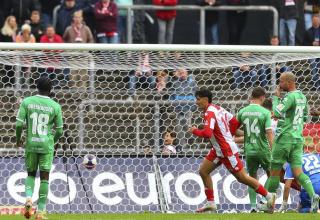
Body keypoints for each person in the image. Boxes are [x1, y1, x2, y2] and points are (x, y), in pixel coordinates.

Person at [190, 88, 275, 213]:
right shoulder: (218, 108)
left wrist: (194, 131)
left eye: (198, 99)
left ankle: (269, 196)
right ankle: (211, 202)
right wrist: (228, 133)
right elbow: (234, 121)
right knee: (203, 171)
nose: (196, 102)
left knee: (242, 178)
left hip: (226, 150)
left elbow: (207, 133)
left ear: (205, 99)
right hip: (218, 149)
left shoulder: (210, 112)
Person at [259, 72, 320, 213]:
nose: (279, 85)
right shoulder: (302, 97)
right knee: (298, 173)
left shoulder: (290, 96)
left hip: (285, 138)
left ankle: (267, 204)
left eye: (281, 82)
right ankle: (314, 196)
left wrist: (276, 97)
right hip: (298, 138)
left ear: (288, 82)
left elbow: (276, 112)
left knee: (274, 172)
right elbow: (305, 117)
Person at [16, 77, 63, 220]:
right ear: (50, 90)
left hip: (30, 144)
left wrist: (19, 139)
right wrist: (52, 143)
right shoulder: (55, 106)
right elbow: (60, 130)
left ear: (36, 87)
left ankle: (29, 199)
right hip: (46, 146)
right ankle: (40, 212)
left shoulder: (27, 102)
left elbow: (18, 124)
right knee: (44, 179)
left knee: (30, 174)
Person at [236, 87, 274, 212]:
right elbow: (269, 132)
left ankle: (253, 207)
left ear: (252, 96)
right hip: (263, 149)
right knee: (272, 174)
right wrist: (273, 149)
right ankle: (264, 200)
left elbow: (234, 130)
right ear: (262, 97)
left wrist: (247, 133)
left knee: (252, 179)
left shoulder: (242, 111)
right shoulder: (265, 112)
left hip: (249, 150)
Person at [303, 14, 320, 90]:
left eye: (317, 20)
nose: (315, 21)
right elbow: (304, 43)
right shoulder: (308, 31)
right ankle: (315, 84)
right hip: (312, 53)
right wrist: (311, 44)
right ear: (312, 21)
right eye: (314, 20)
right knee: (313, 63)